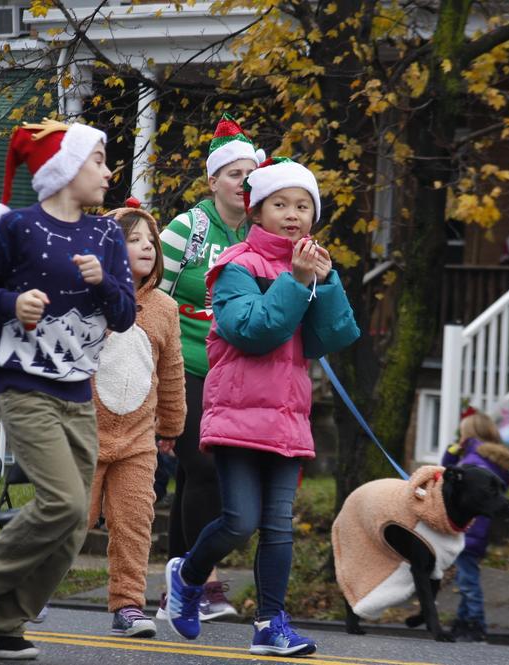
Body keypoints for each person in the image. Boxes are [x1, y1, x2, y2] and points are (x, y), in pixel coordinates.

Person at [0, 119, 136, 660]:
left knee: (75, 524)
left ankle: (3, 623)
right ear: (63, 169)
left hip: (78, 394)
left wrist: (104, 284)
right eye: (98, 160)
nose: (108, 172)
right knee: (61, 503)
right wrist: (12, 303)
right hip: (24, 387)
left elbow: (125, 317)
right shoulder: (17, 229)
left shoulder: (106, 235)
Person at [164, 157, 360, 656]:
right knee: (240, 521)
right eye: (280, 204)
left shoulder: (307, 268)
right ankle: (185, 577)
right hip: (237, 415)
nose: (292, 214)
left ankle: (271, 624)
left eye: (303, 205)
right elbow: (254, 332)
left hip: (287, 416)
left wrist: (326, 281)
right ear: (256, 210)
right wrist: (296, 282)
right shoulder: (235, 266)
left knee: (278, 526)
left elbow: (332, 337)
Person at [157, 114, 263, 621]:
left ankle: (176, 586)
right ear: (214, 180)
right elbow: (152, 291)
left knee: (200, 479)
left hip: (235, 370)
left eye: (250, 174)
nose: (243, 183)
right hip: (185, 363)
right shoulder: (189, 228)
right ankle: (204, 581)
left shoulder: (260, 232)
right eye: (234, 174)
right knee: (200, 466)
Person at [89, 202, 186, 638]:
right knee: (71, 519)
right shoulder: (86, 296)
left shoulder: (165, 308)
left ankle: (128, 605)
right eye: (133, 239)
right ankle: (30, 592)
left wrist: (172, 426)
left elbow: (171, 373)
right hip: (84, 435)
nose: (147, 246)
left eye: (151, 240)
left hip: (138, 440)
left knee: (134, 522)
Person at [440, 412, 509, 643]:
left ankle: (476, 624)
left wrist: (451, 453)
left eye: (463, 431)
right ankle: (463, 621)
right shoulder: (489, 460)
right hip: (480, 529)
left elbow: (446, 478)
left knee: (467, 581)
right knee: (466, 578)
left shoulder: (472, 462)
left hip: (469, 529)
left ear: (470, 434)